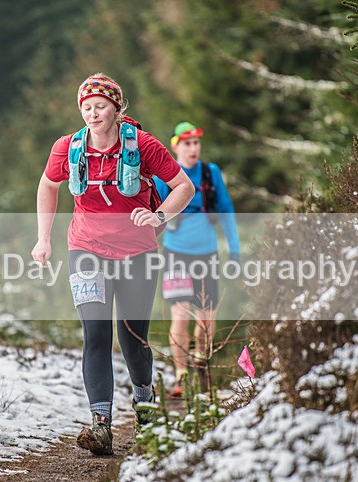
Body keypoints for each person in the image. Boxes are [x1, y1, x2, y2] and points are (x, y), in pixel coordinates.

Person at [31, 74, 194, 455]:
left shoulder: (144, 146)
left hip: (138, 252)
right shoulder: (67, 148)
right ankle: (101, 425)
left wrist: (159, 216)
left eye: (100, 106)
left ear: (117, 109)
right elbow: (47, 186)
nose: (92, 114)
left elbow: (184, 187)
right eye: (86, 107)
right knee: (96, 334)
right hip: (86, 250)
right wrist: (43, 238)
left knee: (132, 340)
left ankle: (145, 402)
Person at [154, 122, 241, 397]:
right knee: (180, 314)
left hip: (207, 253)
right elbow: (154, 212)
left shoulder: (209, 172)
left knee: (206, 318)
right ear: (176, 146)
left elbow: (226, 209)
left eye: (196, 143)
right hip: (176, 253)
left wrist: (235, 249)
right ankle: (181, 376)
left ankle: (200, 361)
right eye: (187, 144)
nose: (193, 149)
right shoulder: (166, 174)